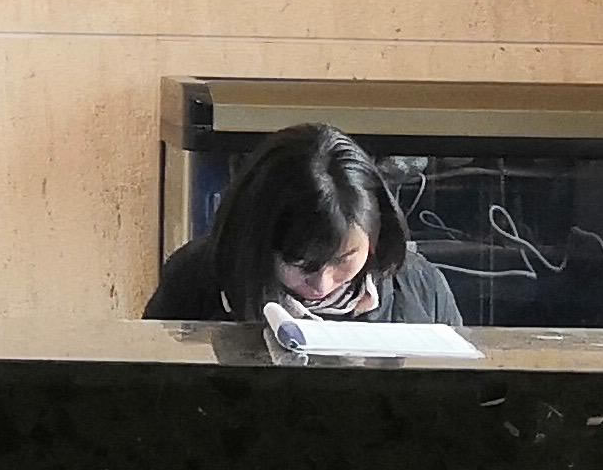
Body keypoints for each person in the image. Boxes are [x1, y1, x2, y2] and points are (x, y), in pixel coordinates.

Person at [144, 122, 467, 326]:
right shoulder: (196, 280)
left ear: (375, 235)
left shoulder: (420, 285)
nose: (322, 285)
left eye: (343, 259)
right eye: (300, 264)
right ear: (258, 240)